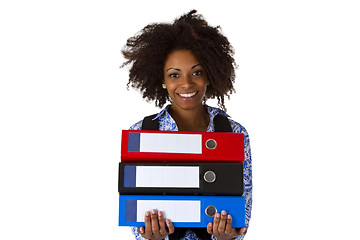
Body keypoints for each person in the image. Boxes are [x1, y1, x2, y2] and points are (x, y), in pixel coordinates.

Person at [121, 10, 252, 240]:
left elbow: (243, 210)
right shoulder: (139, 133)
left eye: (197, 72)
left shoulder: (235, 133)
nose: (186, 84)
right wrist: (151, 237)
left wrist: (228, 236)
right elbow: (135, 212)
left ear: (209, 74)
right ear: (161, 79)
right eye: (174, 75)